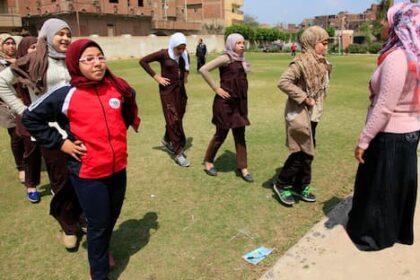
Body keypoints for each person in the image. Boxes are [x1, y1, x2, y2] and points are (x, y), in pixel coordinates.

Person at [22, 38, 140, 280]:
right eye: (89, 59)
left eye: (100, 57)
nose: (97, 63)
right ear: (75, 64)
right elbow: (30, 118)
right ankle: (98, 273)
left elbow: (124, 115)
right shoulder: (66, 94)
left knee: (111, 217)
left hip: (118, 168)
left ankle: (102, 250)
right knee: (98, 224)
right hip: (88, 173)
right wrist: (61, 143)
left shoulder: (117, 88)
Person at [0, 18, 83, 250]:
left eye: (68, 34)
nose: (65, 38)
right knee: (60, 179)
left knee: (81, 175)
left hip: (78, 128)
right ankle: (68, 226)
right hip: (50, 132)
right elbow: (2, 82)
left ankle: (80, 213)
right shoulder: (34, 60)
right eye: (60, 34)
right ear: (47, 35)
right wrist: (23, 111)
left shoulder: (73, 59)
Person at [347, 3, 420, 251]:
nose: (381, 23)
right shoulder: (415, 55)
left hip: (390, 134)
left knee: (379, 190)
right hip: (409, 133)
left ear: (398, 23)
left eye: (385, 19)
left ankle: (373, 236)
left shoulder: (399, 57)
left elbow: (384, 106)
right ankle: (396, 231)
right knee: (397, 186)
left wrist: (363, 140)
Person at [273, 26, 331, 206]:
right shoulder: (301, 63)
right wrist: (304, 97)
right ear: (312, 43)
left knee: (308, 153)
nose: (326, 47)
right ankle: (282, 184)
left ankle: (301, 185)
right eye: (323, 43)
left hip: (314, 115)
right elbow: (283, 82)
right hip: (300, 115)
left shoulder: (320, 61)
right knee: (300, 153)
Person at [199, 33, 254, 182]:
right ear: (231, 44)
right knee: (220, 134)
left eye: (243, 42)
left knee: (240, 135)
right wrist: (216, 89)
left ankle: (243, 167)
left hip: (239, 104)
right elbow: (203, 69)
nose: (242, 45)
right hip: (225, 104)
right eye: (238, 43)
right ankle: (208, 161)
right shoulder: (226, 58)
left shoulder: (242, 60)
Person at [139, 32, 190, 167]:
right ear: (173, 45)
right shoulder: (163, 54)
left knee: (178, 117)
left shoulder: (184, 55)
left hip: (180, 91)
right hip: (167, 91)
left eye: (183, 48)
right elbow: (143, 61)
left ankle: (166, 140)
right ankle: (178, 151)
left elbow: (185, 68)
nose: (181, 51)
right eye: (179, 48)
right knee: (172, 119)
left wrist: (185, 77)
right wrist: (156, 77)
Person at [0, 34, 25, 184]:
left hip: (22, 102)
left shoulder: (20, 60)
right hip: (6, 106)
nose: (11, 46)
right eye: (7, 44)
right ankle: (21, 167)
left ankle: (29, 161)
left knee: (26, 135)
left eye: (13, 43)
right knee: (16, 136)